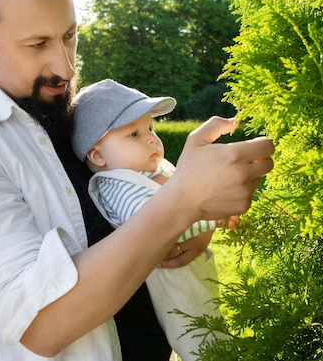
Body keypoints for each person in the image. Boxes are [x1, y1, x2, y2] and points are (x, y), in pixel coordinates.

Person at [0, 0, 275, 360]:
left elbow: (137, 211)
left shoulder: (73, 117)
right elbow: (41, 323)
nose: (66, 67)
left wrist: (190, 227)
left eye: (69, 36)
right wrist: (181, 203)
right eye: (38, 44)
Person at [72, 79, 234, 360]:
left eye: (150, 127)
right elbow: (153, 220)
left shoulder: (147, 171)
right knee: (205, 347)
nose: (150, 138)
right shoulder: (115, 184)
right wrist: (210, 213)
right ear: (97, 155)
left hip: (187, 273)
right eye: (133, 134)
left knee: (214, 333)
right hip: (172, 287)